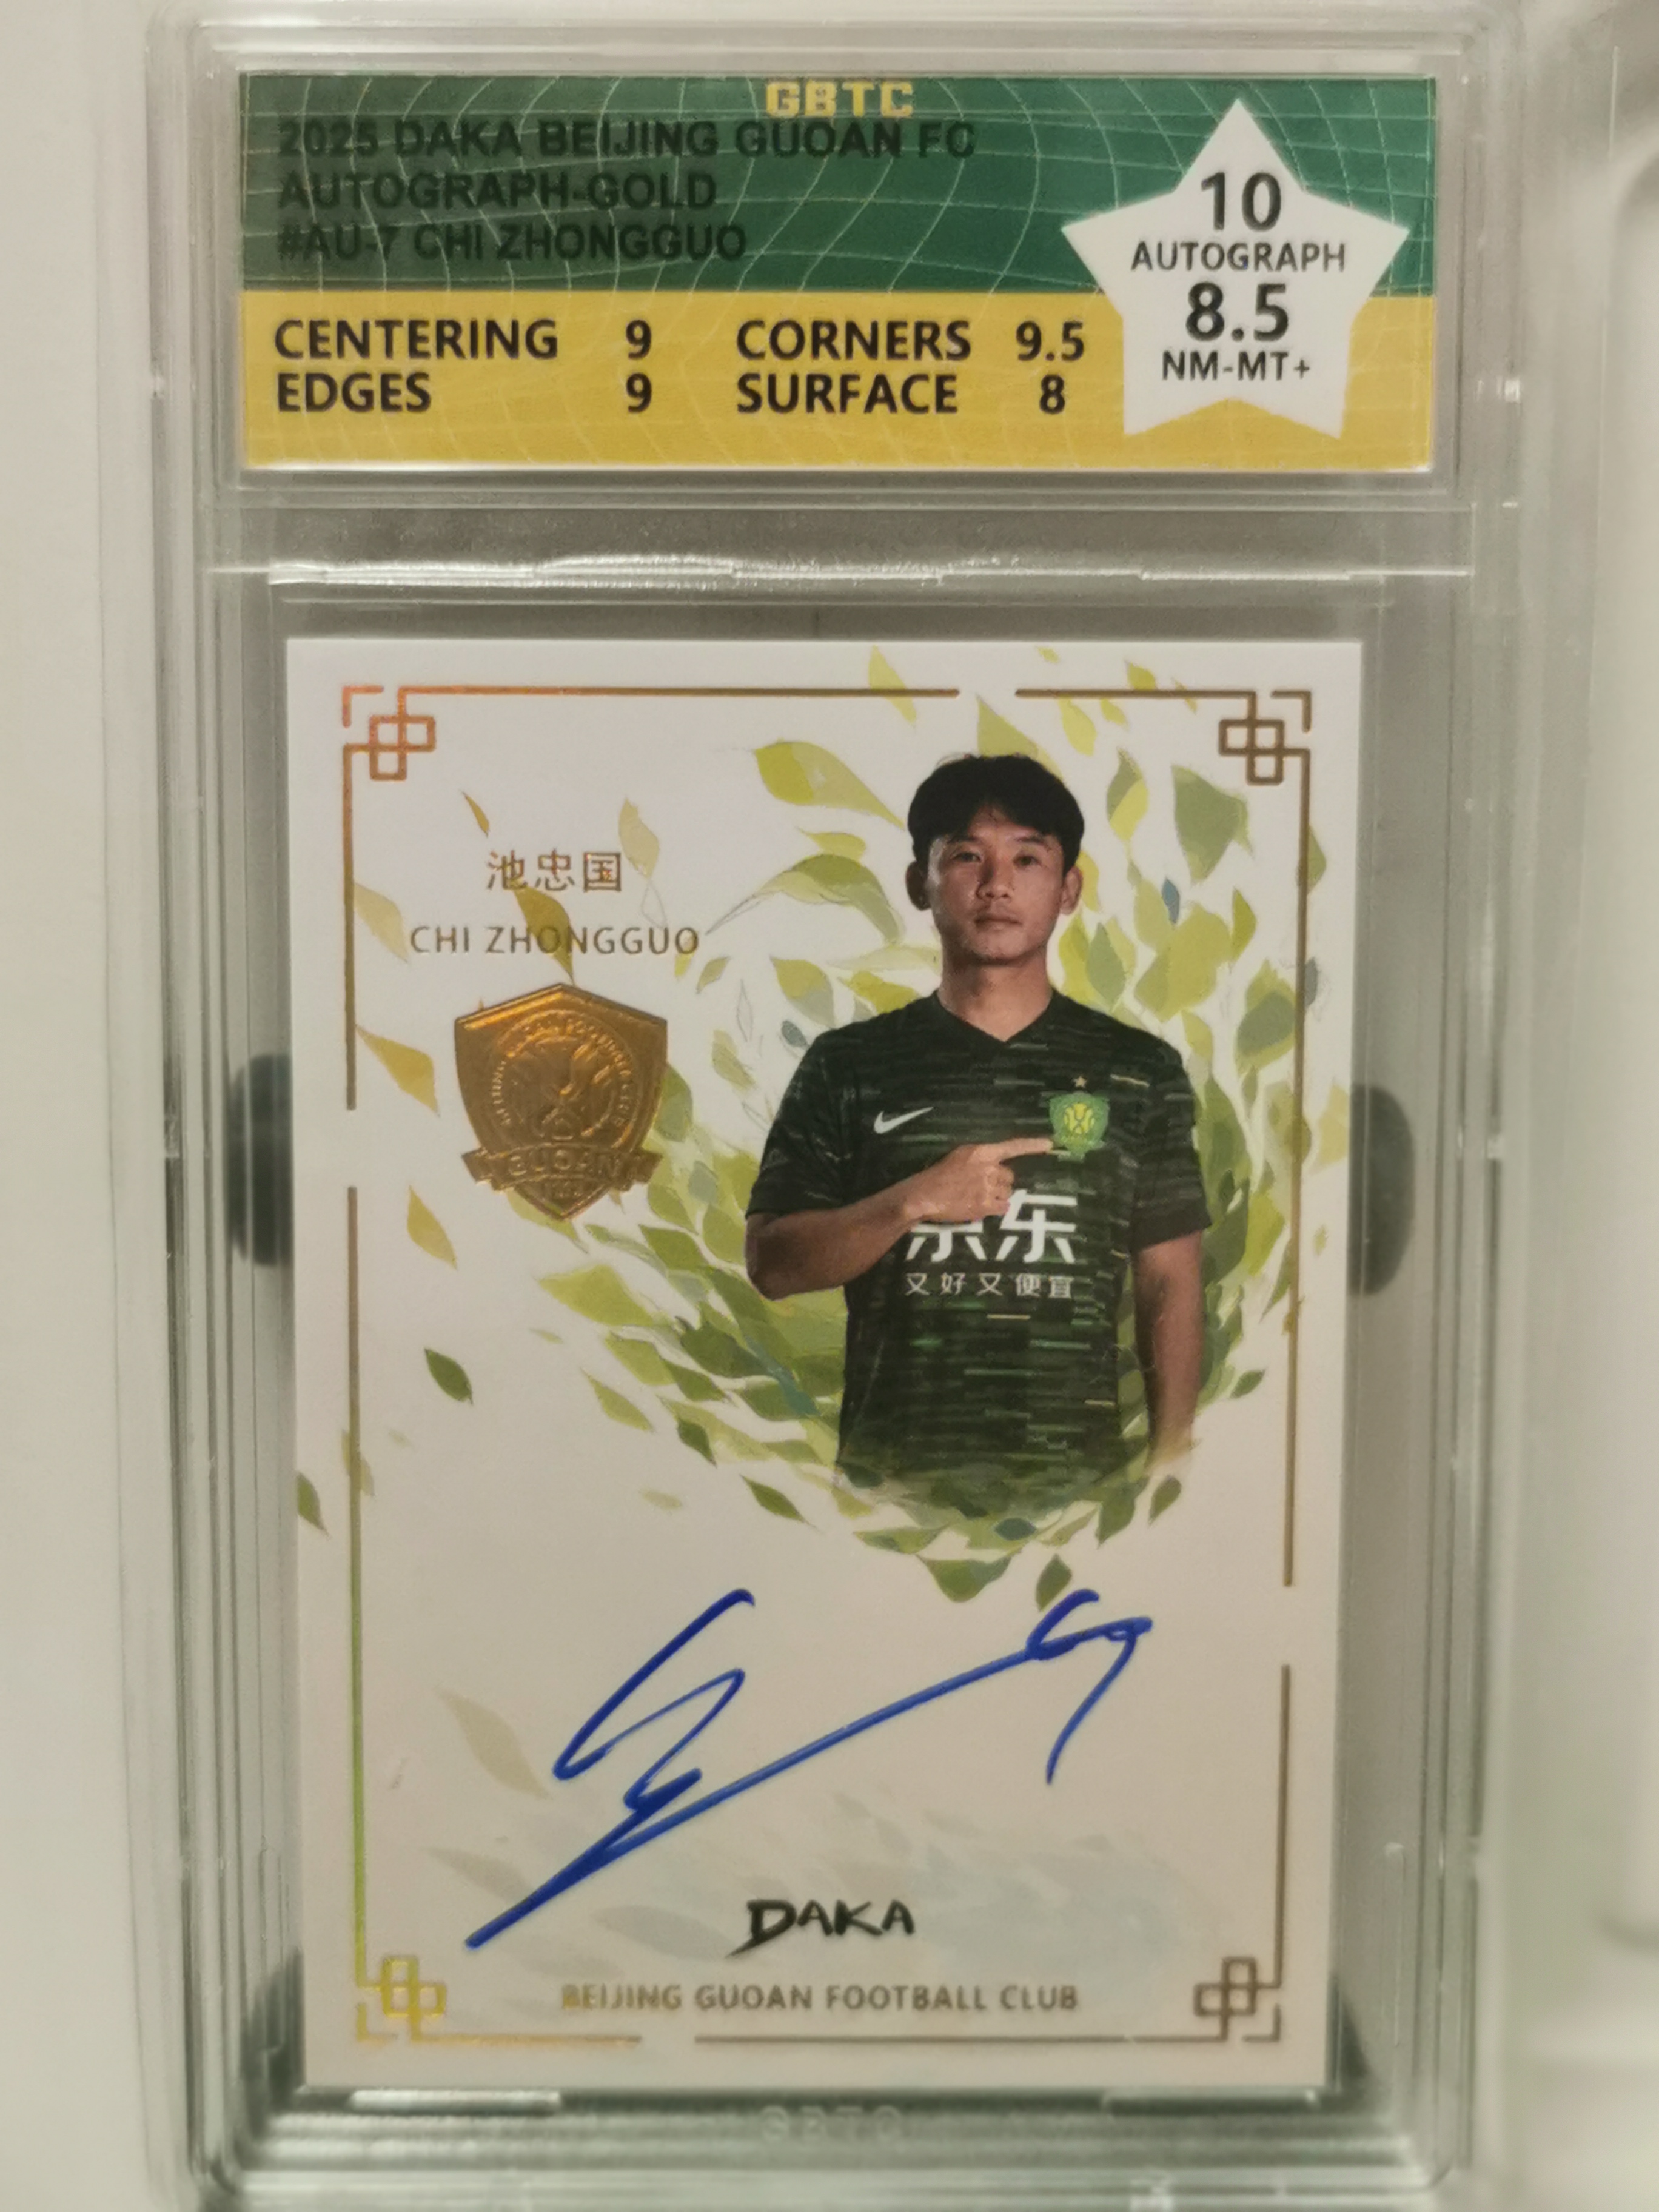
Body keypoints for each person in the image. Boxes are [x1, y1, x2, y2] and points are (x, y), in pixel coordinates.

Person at [744, 753, 1208, 1519]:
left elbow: (1171, 1282)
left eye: (1027, 859)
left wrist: (1171, 1473)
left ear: (1068, 890)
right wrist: (911, 1201)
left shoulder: (1138, 1071)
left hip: (1080, 1496)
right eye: (966, 856)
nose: (996, 884)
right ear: (918, 883)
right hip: (890, 1495)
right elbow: (773, 1264)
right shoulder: (849, 1065)